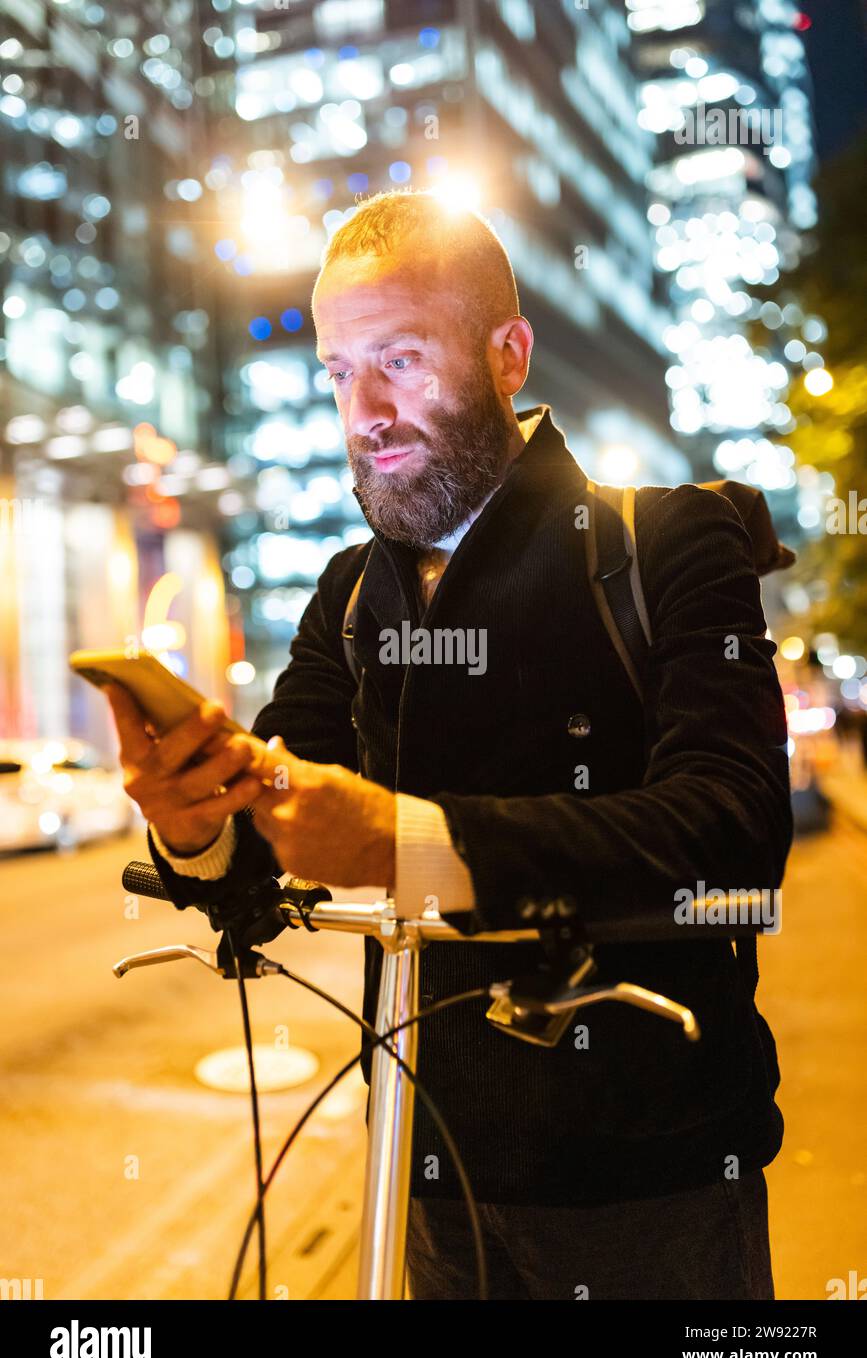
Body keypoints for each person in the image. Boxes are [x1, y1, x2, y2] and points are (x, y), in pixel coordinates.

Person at [107, 189, 792, 1300]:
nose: (365, 408)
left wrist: (404, 840)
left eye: (402, 359)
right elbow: (275, 812)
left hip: (653, 1178)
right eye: (338, 372)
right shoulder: (345, 594)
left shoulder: (666, 538)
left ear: (507, 355)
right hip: (425, 1167)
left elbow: (735, 830)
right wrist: (195, 824)